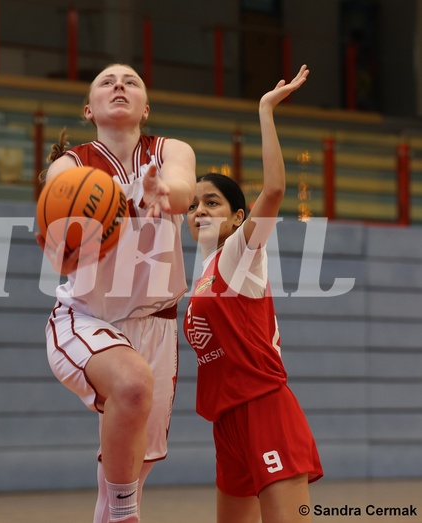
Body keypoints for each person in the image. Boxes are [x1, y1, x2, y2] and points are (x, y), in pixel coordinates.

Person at [36, 63, 196, 522]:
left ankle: (119, 514)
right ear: (89, 110)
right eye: (107, 81)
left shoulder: (170, 151)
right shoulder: (70, 165)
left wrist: (164, 190)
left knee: (126, 479)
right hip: (87, 318)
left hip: (158, 326)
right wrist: (82, 234)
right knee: (129, 384)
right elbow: (56, 247)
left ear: (147, 109)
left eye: (131, 81)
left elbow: (184, 189)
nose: (120, 85)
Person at [183, 65, 323, 523]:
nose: (199, 209)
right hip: (227, 422)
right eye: (193, 204)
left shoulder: (239, 254)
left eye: (212, 202)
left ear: (238, 218)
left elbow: (277, 188)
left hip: (263, 408)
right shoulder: (201, 274)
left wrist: (265, 109)